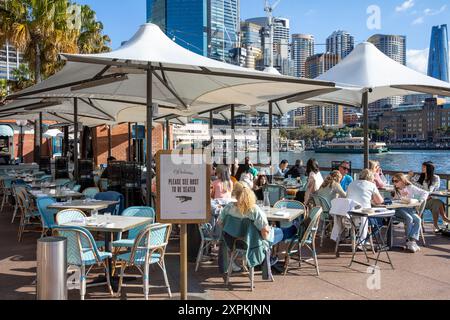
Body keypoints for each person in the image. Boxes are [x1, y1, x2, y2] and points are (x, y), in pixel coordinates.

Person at [218, 182, 298, 260]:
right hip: (254, 244)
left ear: (235, 193)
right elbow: (265, 234)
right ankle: (295, 228)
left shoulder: (228, 208)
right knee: (282, 232)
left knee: (277, 231)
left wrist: (236, 232)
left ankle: (292, 229)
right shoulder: (254, 210)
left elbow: (221, 224)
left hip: (235, 243)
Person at [346, 169, 385, 247]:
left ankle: (358, 238)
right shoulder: (371, 185)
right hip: (362, 216)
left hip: (349, 216)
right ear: (371, 177)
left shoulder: (351, 183)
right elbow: (380, 201)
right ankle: (363, 240)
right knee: (380, 222)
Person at [408, 162, 450, 232]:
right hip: (418, 199)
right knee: (436, 203)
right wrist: (411, 177)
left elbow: (429, 190)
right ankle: (443, 219)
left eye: (424, 167)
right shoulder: (418, 176)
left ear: (429, 168)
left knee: (437, 202)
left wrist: (416, 183)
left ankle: (437, 224)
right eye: (422, 166)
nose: (422, 168)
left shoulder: (435, 178)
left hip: (429, 199)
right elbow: (409, 183)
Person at [392, 173, 429, 253]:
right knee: (409, 218)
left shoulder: (410, 187)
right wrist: (400, 197)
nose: (394, 183)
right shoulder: (396, 189)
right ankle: (409, 241)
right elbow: (394, 201)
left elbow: (425, 192)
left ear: (402, 181)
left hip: (409, 209)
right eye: (393, 181)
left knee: (418, 219)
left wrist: (421, 200)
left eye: (396, 181)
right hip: (398, 209)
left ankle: (412, 241)